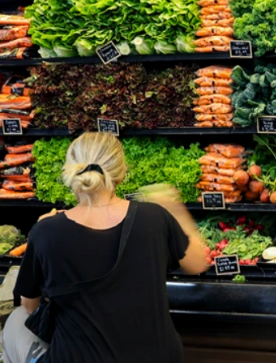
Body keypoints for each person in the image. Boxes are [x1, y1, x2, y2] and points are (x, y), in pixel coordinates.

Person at [1, 132, 209, 363]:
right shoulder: (155, 217)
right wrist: (175, 207)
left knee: (16, 318)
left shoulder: (46, 230)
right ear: (121, 173)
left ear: (71, 172)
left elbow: (31, 306)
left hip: (78, 358)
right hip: (159, 357)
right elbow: (198, 263)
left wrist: (39, 238)